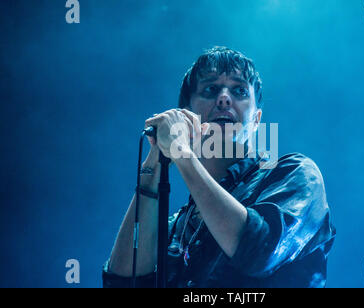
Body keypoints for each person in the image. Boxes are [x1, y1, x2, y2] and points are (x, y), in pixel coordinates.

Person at [102, 46, 336, 288]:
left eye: (239, 90)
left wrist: (182, 153)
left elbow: (259, 251)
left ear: (256, 119)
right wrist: (155, 163)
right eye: (211, 89)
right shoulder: (178, 227)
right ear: (187, 114)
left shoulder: (294, 174)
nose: (224, 98)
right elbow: (121, 283)